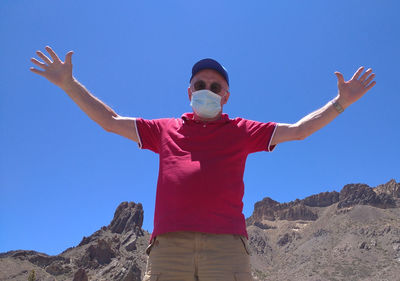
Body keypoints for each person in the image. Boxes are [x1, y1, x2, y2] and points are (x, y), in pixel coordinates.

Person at [30, 46, 376, 281]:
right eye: (200, 84)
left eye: (215, 86)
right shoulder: (164, 129)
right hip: (170, 250)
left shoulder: (242, 130)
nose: (207, 89)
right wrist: (69, 84)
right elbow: (110, 120)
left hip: (226, 247)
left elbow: (300, 130)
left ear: (226, 96)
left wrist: (340, 103)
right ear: (189, 91)